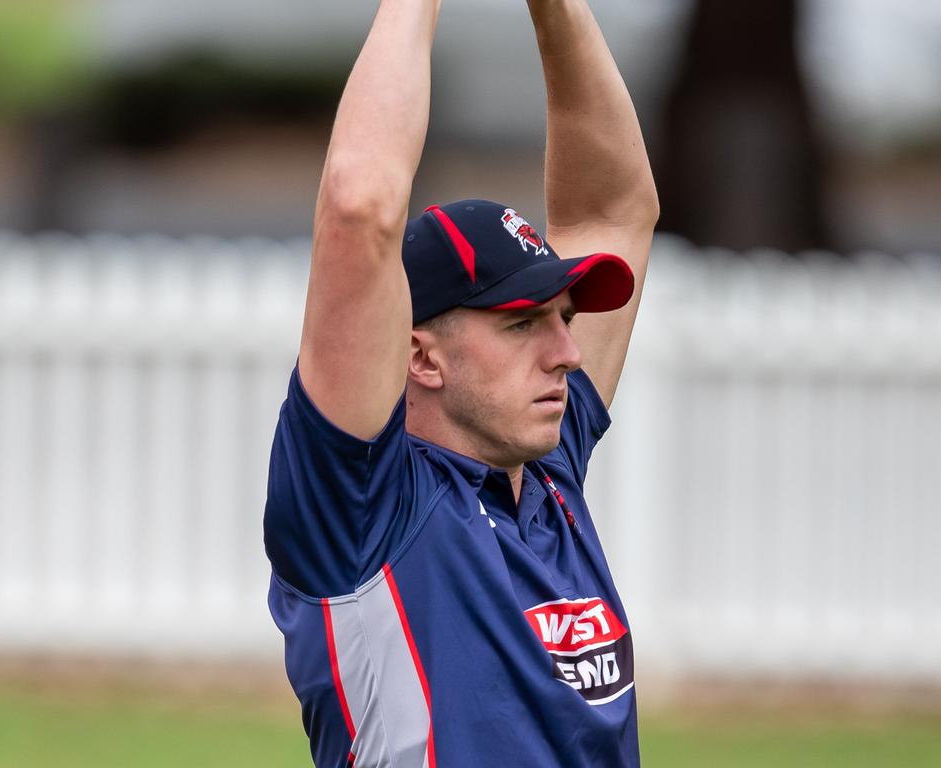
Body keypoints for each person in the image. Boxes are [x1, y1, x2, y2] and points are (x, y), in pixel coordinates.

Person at [263, 1, 658, 765]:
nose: (567, 354)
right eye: (520, 324)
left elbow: (615, 209)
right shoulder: (360, 512)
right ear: (420, 358)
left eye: (565, 317)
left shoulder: (546, 474)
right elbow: (359, 206)